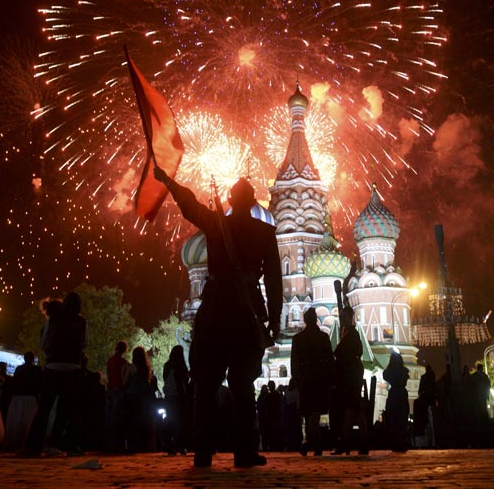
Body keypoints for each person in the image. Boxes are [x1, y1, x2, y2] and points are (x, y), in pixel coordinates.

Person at [155, 167, 282, 468]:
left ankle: (202, 450)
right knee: (242, 386)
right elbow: (275, 280)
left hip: (214, 309)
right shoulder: (265, 232)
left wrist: (168, 180)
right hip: (245, 311)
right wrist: (274, 319)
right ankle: (244, 451)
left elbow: (188, 204)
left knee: (207, 386)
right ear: (253, 201)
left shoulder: (215, 224)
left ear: (229, 198)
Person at [21, 292, 87, 457]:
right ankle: (60, 445)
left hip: (52, 368)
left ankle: (33, 445)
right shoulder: (82, 321)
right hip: (72, 369)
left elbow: (42, 343)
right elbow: (85, 343)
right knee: (66, 411)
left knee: (45, 408)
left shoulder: (53, 320)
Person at [291, 307, 333, 456]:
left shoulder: (298, 339)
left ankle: (311, 443)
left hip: (305, 379)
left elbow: (294, 362)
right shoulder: (323, 337)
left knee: (309, 413)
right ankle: (315, 445)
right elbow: (330, 359)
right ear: (315, 319)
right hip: (319, 379)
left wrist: (296, 378)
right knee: (314, 412)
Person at [332, 307, 368, 455]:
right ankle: (353, 443)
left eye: (344, 316)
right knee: (353, 409)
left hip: (351, 376)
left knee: (353, 409)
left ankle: (353, 443)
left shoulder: (351, 334)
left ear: (349, 317)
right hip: (351, 375)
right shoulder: (348, 333)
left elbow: (341, 352)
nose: (342, 319)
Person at [4, 352, 41, 450]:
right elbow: (39, 385)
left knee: (17, 420)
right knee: (28, 420)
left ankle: (16, 441)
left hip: (19, 397)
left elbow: (14, 382)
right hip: (30, 397)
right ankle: (25, 442)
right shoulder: (37, 370)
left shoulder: (20, 369)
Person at [125, 346, 158, 453]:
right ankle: (146, 445)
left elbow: (125, 382)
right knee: (144, 421)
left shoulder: (131, 368)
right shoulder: (146, 369)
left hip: (132, 396)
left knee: (133, 422)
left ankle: (134, 445)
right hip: (143, 398)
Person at [162, 344, 190, 455]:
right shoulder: (180, 365)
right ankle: (181, 445)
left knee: (170, 420)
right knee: (181, 421)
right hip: (179, 396)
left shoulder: (166, 365)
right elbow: (186, 380)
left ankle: (169, 444)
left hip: (169, 396)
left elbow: (165, 378)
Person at [105, 341, 131, 451]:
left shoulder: (110, 361)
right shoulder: (124, 362)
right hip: (119, 390)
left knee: (109, 416)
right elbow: (124, 378)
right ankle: (115, 443)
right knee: (117, 418)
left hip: (110, 389)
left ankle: (107, 442)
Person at [383, 351, 410, 452]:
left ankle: (395, 442)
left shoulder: (390, 372)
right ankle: (402, 442)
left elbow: (385, 375)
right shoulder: (404, 371)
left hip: (394, 394)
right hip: (402, 394)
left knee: (393, 419)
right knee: (402, 420)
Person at [413, 362, 435, 443]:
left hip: (425, 402)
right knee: (431, 421)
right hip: (430, 402)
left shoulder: (424, 377)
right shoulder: (432, 377)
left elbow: (420, 390)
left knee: (426, 420)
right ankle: (432, 439)